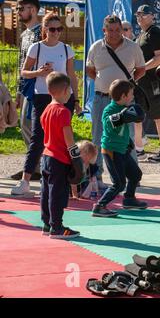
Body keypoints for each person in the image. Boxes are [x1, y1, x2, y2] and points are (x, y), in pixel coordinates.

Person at [11, 12, 79, 196]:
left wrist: (77, 100)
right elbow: (24, 72)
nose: (56, 32)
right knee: (38, 138)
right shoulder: (36, 48)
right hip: (42, 96)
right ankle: (25, 181)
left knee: (63, 139)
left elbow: (72, 76)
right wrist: (39, 72)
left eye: (59, 29)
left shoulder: (66, 49)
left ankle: (61, 180)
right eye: (52, 29)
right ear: (44, 30)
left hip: (65, 98)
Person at [86, 15, 146, 184]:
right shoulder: (96, 47)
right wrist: (101, 80)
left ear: (122, 30)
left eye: (117, 30)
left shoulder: (133, 47)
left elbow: (141, 69)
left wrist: (130, 84)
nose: (114, 33)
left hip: (125, 101)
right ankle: (96, 174)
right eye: (110, 30)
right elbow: (90, 70)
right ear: (104, 30)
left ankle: (132, 175)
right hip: (101, 98)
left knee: (128, 136)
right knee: (98, 136)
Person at [91, 79, 147, 217]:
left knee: (136, 175)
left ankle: (129, 199)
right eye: (131, 94)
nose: (132, 97)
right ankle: (100, 206)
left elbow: (122, 130)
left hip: (123, 150)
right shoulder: (109, 110)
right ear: (123, 96)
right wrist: (124, 116)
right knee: (119, 183)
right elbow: (110, 124)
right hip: (111, 151)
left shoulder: (124, 109)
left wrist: (128, 141)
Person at [40, 71, 82, 239]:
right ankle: (56, 227)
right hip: (59, 158)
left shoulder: (46, 110)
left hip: (46, 156)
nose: (71, 94)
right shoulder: (63, 112)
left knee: (46, 191)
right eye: (70, 90)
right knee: (57, 193)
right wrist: (76, 159)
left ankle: (46, 223)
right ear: (65, 90)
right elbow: (68, 139)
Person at [134, 4, 160, 162]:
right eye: (138, 14)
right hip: (140, 83)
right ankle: (139, 150)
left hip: (152, 82)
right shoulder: (142, 34)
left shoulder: (154, 32)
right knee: (136, 116)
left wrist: (141, 70)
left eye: (143, 14)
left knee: (157, 116)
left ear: (152, 16)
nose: (140, 17)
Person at [11, 0, 42, 181]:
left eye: (21, 9)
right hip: (27, 86)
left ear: (33, 9)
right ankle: (34, 167)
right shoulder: (24, 34)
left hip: (39, 87)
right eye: (17, 9)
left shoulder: (42, 32)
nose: (18, 12)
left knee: (33, 127)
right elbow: (21, 64)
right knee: (25, 125)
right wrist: (18, 91)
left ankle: (36, 167)